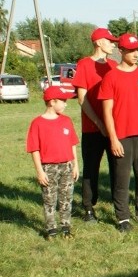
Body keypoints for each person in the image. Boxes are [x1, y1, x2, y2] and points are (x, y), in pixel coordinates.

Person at [99, 33, 138, 232]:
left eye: (137, 50)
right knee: (122, 180)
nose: (136, 54)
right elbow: (107, 111)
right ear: (121, 51)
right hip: (122, 137)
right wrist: (113, 139)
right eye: (131, 50)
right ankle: (122, 218)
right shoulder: (111, 77)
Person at [72, 27, 118, 224]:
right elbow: (82, 99)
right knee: (91, 169)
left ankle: (119, 205)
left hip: (114, 128)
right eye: (109, 41)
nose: (113, 44)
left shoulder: (114, 65)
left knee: (118, 167)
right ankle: (89, 208)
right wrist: (99, 123)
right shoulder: (84, 64)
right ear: (99, 42)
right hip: (92, 128)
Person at [27, 86, 79, 239]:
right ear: (52, 102)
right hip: (48, 167)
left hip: (67, 166)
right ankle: (51, 229)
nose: (66, 104)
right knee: (50, 200)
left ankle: (65, 226)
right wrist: (40, 171)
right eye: (63, 101)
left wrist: (75, 165)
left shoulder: (66, 121)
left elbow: (72, 144)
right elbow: (34, 149)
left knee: (66, 198)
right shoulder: (37, 123)